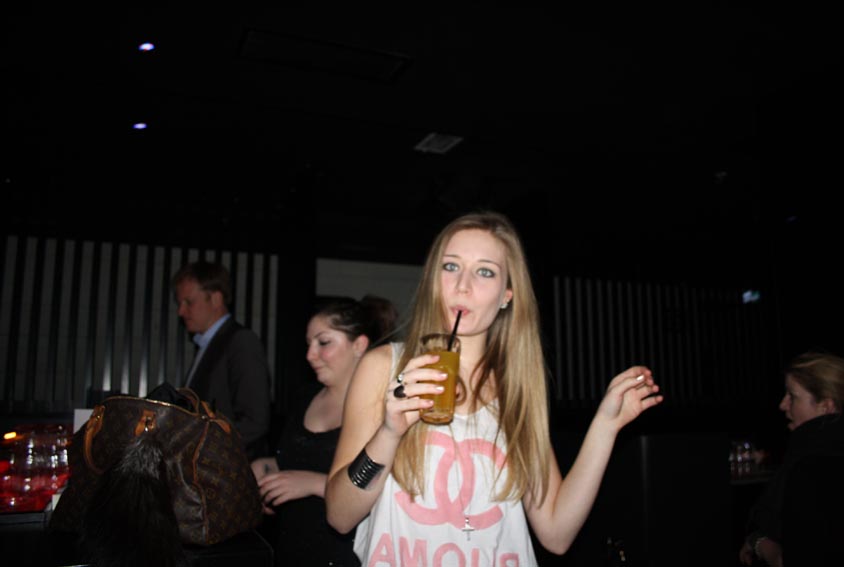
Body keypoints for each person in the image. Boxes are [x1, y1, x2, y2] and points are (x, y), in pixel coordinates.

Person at [325, 211, 663, 565]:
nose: (463, 285)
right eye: (451, 266)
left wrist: (605, 426)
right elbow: (339, 515)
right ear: (433, 280)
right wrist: (389, 433)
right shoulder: (385, 368)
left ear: (506, 295)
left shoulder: (515, 390)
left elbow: (557, 533)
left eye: (484, 271)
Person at [251, 295, 398, 566]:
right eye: (308, 344)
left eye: (324, 342)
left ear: (359, 345)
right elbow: (302, 458)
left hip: (347, 551)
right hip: (292, 546)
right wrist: (265, 470)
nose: (310, 355)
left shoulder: (385, 409)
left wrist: (313, 483)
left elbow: (389, 486)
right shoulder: (305, 397)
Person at [738, 351, 844, 567]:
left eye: (793, 396)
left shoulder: (811, 467)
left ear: (826, 406)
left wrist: (759, 543)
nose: (783, 405)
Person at [172, 260, 271, 460]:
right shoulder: (209, 343)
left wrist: (200, 449)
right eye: (180, 304)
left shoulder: (240, 341)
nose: (181, 311)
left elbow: (255, 421)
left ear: (216, 299)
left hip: (222, 466)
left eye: (188, 302)